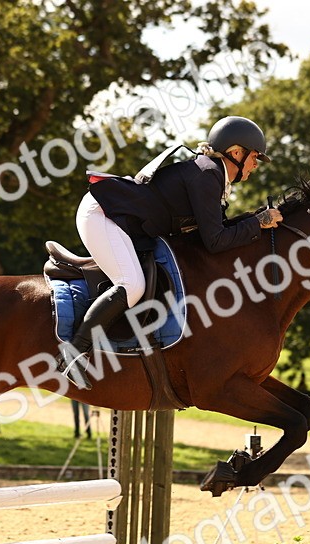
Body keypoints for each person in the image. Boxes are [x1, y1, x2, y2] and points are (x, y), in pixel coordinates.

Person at [59, 116, 282, 389]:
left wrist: (253, 220)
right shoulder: (208, 174)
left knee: (135, 283)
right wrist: (258, 223)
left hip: (120, 219)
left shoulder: (210, 173)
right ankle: (74, 353)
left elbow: (214, 230)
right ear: (236, 152)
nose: (255, 165)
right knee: (132, 285)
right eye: (254, 157)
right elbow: (215, 241)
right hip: (102, 213)